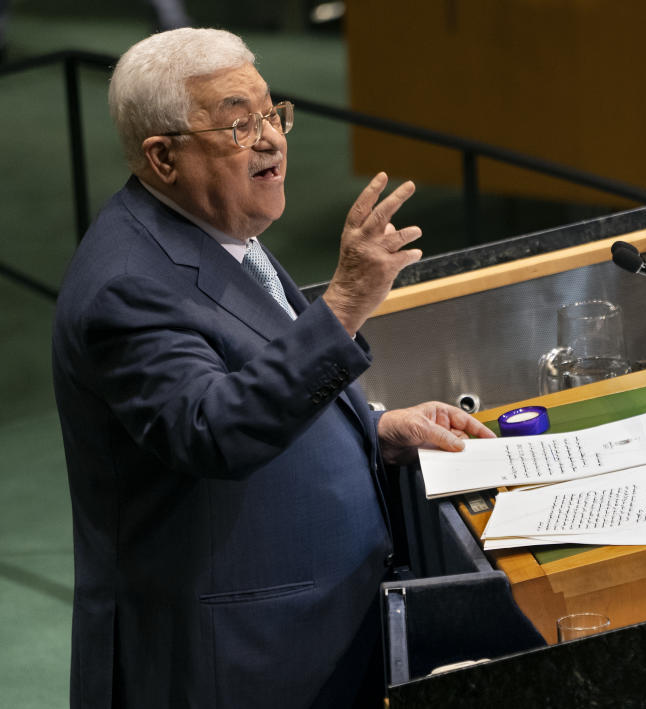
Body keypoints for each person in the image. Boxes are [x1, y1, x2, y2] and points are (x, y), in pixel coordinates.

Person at [52, 27, 494, 708]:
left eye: (271, 113)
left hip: (311, 633)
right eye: (237, 124)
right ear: (162, 157)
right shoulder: (125, 287)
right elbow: (214, 428)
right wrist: (344, 301)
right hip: (233, 662)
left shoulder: (217, 231)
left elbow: (254, 371)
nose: (271, 140)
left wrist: (373, 428)